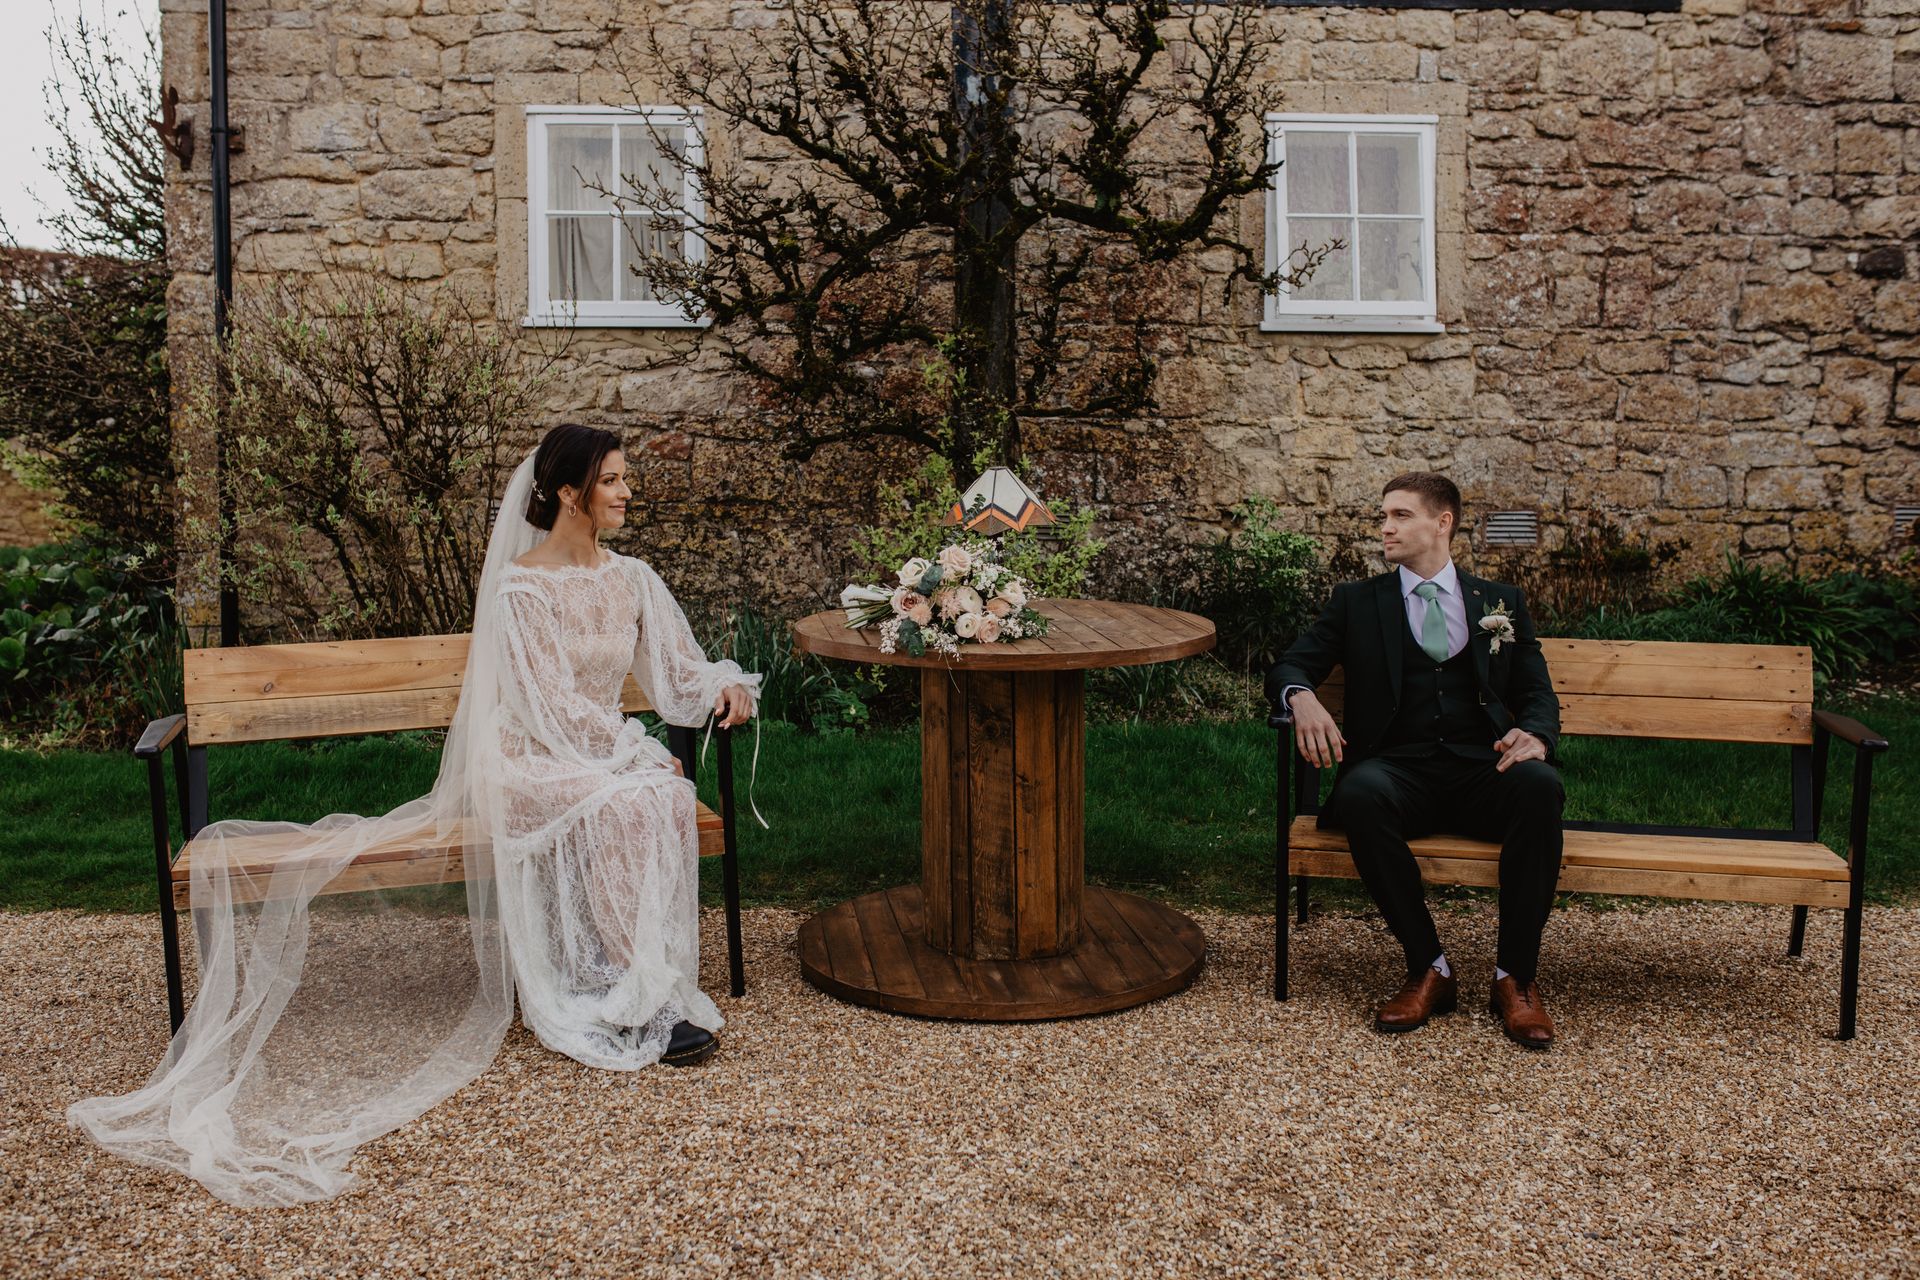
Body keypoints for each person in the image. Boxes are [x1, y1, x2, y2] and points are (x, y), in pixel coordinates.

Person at [68, 424, 760, 1205]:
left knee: (657, 797)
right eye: (613, 481)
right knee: (634, 793)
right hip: (533, 755)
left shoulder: (633, 577)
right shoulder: (522, 589)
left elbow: (676, 666)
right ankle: (628, 996)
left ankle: (644, 990)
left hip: (592, 749)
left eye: (626, 479)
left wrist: (721, 689)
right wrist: (631, 749)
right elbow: (545, 707)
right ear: (571, 493)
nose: (628, 492)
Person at [1267, 473, 1564, 1049]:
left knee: (1539, 788)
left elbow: (1536, 692)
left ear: (1442, 523)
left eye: (1400, 515)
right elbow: (1289, 666)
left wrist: (1537, 737)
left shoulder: (1500, 603)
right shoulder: (1356, 603)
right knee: (1358, 794)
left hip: (1484, 767)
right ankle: (1429, 966)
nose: (1386, 527)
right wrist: (1300, 698)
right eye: (1384, 515)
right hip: (1398, 771)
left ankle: (1515, 979)